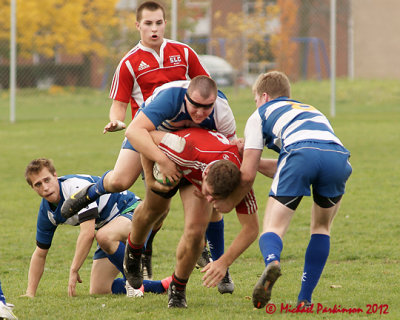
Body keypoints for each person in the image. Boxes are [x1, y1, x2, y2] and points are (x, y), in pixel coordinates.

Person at [63, 1, 210, 279]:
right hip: (146, 133)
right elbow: (119, 104)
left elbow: (206, 87)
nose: (154, 29)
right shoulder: (130, 61)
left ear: (165, 23)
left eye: (158, 23)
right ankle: (88, 193)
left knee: (164, 206)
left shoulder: (184, 52)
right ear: (137, 25)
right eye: (148, 24)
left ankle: (186, 249)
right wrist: (117, 120)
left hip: (180, 134)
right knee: (120, 181)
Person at [62, 76, 235, 287]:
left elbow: (225, 153)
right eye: (195, 105)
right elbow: (135, 131)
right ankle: (91, 192)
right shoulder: (170, 99)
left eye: (206, 107)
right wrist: (159, 166)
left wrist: (210, 187)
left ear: (214, 101)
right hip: (151, 137)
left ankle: (219, 265)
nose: (200, 112)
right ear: (186, 97)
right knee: (122, 181)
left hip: (192, 149)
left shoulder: (222, 112)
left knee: (212, 202)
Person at [213, 71, 352, 309]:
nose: (255, 103)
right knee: (321, 227)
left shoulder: (259, 114)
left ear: (264, 96)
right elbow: (288, 163)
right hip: (338, 157)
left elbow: (247, 173)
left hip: (300, 155)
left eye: (255, 99)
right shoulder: (310, 109)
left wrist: (230, 201)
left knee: (273, 228)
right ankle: (305, 299)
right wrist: (250, 155)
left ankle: (272, 262)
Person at [138, 127, 276, 308]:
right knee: (154, 212)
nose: (210, 200)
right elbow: (144, 137)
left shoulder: (241, 182)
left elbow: (251, 229)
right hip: (176, 157)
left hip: (200, 165)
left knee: (195, 233)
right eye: (209, 194)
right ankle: (135, 251)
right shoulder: (184, 150)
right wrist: (150, 176)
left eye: (216, 198)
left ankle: (177, 288)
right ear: (204, 177)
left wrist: (224, 262)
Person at [23, 158, 171, 298]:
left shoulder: (75, 188)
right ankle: (165, 285)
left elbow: (87, 234)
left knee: (103, 236)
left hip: (132, 210)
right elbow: (40, 253)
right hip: (110, 227)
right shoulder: (46, 212)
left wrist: (74, 269)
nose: (45, 187)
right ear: (33, 188)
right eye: (38, 184)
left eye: (47, 180)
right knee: (100, 289)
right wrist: (30, 293)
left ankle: (135, 285)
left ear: (55, 176)